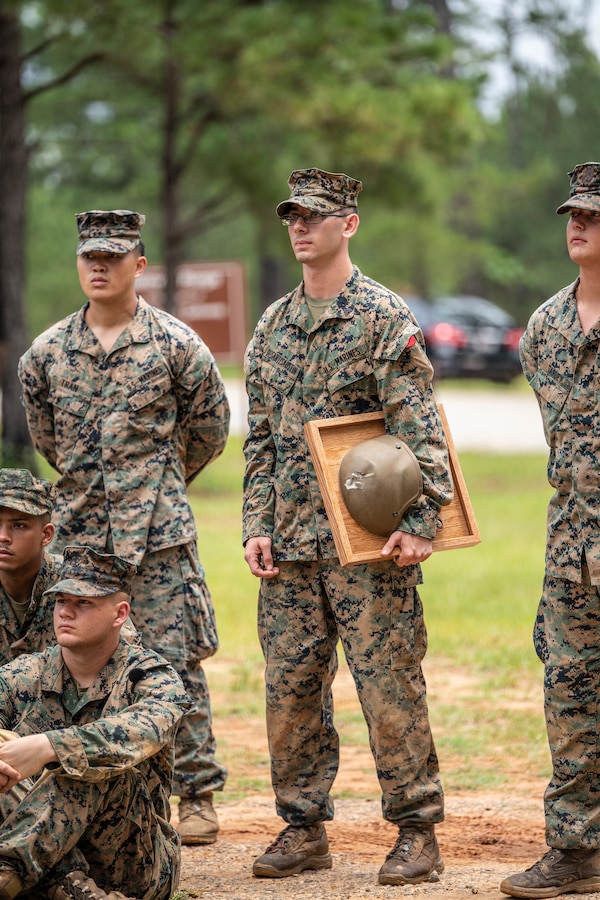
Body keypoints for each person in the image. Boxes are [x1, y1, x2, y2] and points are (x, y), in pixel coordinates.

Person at [242, 167, 454, 885]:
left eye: (315, 215)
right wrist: (256, 524)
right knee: (291, 688)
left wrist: (423, 519)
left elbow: (419, 428)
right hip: (292, 548)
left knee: (388, 687)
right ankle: (302, 828)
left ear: (348, 224)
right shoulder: (272, 325)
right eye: (292, 216)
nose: (300, 226)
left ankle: (417, 833)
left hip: (369, 547)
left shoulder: (382, 317)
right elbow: (263, 440)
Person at [17, 210, 230, 845]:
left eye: (115, 256)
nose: (101, 266)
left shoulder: (175, 346)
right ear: (79, 265)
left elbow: (208, 432)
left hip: (160, 541)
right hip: (82, 541)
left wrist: (156, 487)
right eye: (90, 257)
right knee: (80, 661)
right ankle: (88, 789)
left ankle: (194, 793)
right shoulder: (46, 354)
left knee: (175, 661)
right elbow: (49, 440)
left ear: (141, 266)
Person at [500, 165, 600, 899]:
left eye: (593, 217)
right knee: (569, 697)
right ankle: (574, 849)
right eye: (574, 214)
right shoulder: (546, 326)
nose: (579, 226)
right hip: (571, 549)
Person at [0, 544, 190, 900]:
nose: (65, 613)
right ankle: (67, 887)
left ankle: (9, 869)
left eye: (83, 603)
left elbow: (140, 731)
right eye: (60, 602)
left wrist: (46, 747)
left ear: (120, 614)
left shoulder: (151, 678)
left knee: (89, 764)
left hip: (131, 863)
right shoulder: (24, 675)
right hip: (46, 851)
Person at [0, 468, 59, 661]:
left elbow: (127, 659)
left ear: (46, 535)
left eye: (19, 525)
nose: (3, 537)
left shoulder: (75, 583)